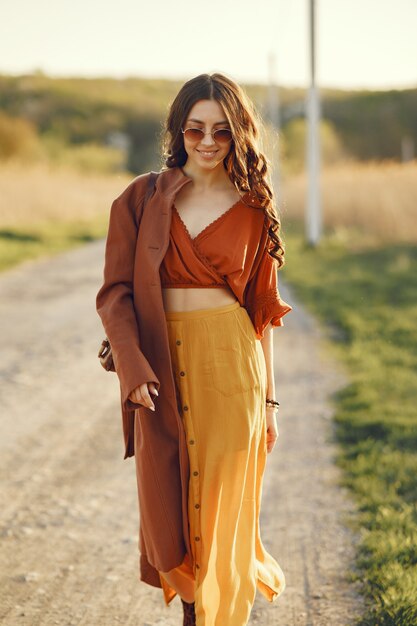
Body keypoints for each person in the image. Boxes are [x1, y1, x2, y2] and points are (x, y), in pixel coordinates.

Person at [96, 72, 292, 626]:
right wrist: (131, 368)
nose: (207, 142)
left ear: (240, 136)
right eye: (195, 129)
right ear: (177, 131)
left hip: (233, 374)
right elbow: (115, 294)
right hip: (159, 371)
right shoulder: (139, 199)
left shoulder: (254, 206)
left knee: (224, 517)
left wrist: (270, 404)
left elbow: (263, 313)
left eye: (222, 132)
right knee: (172, 519)